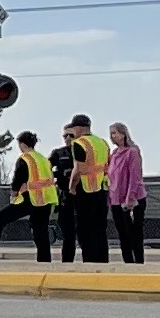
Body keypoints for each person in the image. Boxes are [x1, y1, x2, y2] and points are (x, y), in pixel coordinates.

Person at [60, 113, 112, 265]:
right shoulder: (102, 142)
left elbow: (78, 169)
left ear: (78, 128)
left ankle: (89, 261)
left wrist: (72, 187)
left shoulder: (79, 143)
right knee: (100, 228)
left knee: (85, 229)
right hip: (102, 188)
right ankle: (102, 260)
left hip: (85, 190)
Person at [9, 130, 59, 263]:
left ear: (22, 144)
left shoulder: (25, 159)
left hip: (31, 198)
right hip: (47, 199)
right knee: (42, 232)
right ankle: (45, 260)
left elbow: (18, 179)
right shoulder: (43, 159)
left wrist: (14, 195)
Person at [107, 121, 148, 265]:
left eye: (115, 133)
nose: (112, 136)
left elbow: (134, 176)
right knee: (123, 233)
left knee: (134, 232)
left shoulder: (132, 152)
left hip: (132, 199)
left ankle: (138, 261)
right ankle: (128, 262)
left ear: (123, 134)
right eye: (111, 134)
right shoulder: (114, 154)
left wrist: (130, 198)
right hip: (116, 198)